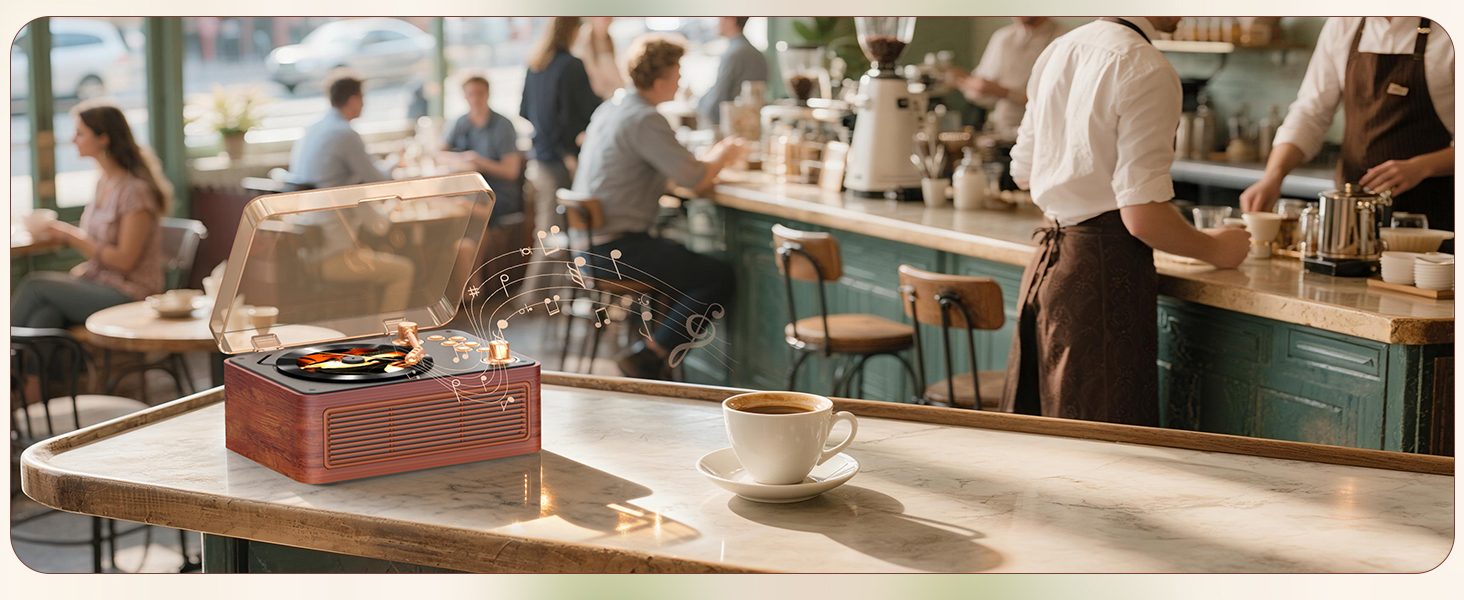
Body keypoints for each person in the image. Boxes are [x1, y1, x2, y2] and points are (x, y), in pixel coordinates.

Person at [1002, 17, 1251, 427]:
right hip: (1102, 274)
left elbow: (1023, 173)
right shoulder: (1146, 66)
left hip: (1049, 268)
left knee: (1048, 439)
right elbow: (1142, 217)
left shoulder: (1060, 49)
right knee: (1106, 449)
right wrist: (1217, 248)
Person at [572, 34, 747, 380]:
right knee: (716, 276)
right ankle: (651, 355)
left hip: (586, 246)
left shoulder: (612, 107)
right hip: (617, 251)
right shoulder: (644, 118)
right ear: (662, 78)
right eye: (678, 71)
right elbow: (694, 177)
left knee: (679, 259)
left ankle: (651, 350)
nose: (681, 80)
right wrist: (725, 153)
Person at [1240, 17, 1454, 240]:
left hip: (1431, 216)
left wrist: (1422, 166)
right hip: (1350, 214)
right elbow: (1311, 113)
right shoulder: (1344, 24)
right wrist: (1273, 176)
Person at [12, 103, 168, 329]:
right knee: (47, 315)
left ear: (103, 138)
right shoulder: (104, 183)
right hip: (100, 283)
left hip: (131, 294)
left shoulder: (135, 193)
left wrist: (69, 236)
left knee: (34, 285)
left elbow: (125, 261)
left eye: (79, 133)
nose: (72, 140)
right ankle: (29, 364)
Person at [521, 17, 601, 240]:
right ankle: (536, 277)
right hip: (563, 160)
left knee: (554, 235)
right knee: (554, 237)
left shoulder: (535, 64)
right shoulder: (571, 65)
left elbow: (524, 110)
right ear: (574, 30)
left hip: (540, 156)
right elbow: (587, 112)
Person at [957, 17, 1064, 139]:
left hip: (1043, 132)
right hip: (1003, 132)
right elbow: (980, 91)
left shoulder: (1063, 40)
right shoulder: (1003, 37)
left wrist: (1004, 92)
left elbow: (1058, 99)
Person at [288, 74, 391, 189]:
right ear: (353, 100)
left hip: (313, 200)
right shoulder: (344, 134)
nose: (364, 104)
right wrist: (394, 163)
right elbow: (377, 180)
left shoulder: (314, 126)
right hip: (334, 203)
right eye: (362, 98)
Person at [442, 75, 524, 217]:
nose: (475, 99)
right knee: (439, 205)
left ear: (488, 94)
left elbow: (511, 171)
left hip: (496, 192)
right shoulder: (460, 123)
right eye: (471, 94)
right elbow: (439, 154)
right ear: (465, 96)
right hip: (467, 189)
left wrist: (479, 163)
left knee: (463, 211)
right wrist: (463, 159)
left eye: (480, 93)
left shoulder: (503, 126)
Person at [696, 17, 768, 126]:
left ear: (731, 20)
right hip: (751, 123)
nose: (716, 23)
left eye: (720, 19)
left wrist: (700, 107)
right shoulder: (756, 53)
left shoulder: (735, 53)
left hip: (733, 124)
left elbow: (719, 95)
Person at [573, 16, 624, 100]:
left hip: (612, 95)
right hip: (597, 98)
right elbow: (593, 78)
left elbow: (615, 74)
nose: (609, 22)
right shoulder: (583, 39)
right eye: (606, 18)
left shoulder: (608, 40)